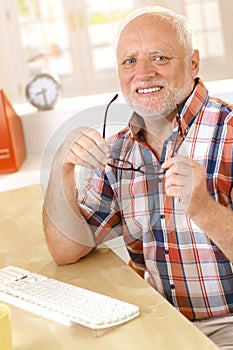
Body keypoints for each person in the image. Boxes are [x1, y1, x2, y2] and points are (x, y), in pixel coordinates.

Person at [43, 6, 233, 349]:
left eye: (159, 57)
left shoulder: (230, 133)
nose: (142, 73)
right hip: (159, 320)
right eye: (129, 61)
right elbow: (66, 250)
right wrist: (62, 166)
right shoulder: (117, 151)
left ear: (193, 63)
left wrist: (204, 208)